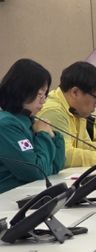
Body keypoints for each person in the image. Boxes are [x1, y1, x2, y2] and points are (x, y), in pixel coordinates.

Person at [0, 59, 65, 193]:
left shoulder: (29, 121)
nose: (43, 100)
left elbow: (55, 166)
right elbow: (36, 172)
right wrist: (44, 135)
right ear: (21, 90)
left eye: (45, 94)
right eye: (39, 94)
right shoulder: (6, 124)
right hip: (8, 198)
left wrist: (54, 136)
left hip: (28, 193)